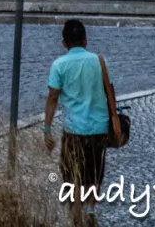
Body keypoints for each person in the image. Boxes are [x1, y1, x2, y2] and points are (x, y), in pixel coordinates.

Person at [43, 19, 118, 225]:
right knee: (94, 171)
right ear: (86, 39)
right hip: (99, 127)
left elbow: (52, 99)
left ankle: (76, 210)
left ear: (63, 43)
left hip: (74, 129)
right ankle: (91, 209)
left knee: (72, 173)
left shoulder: (59, 65)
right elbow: (107, 90)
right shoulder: (99, 61)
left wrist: (47, 129)